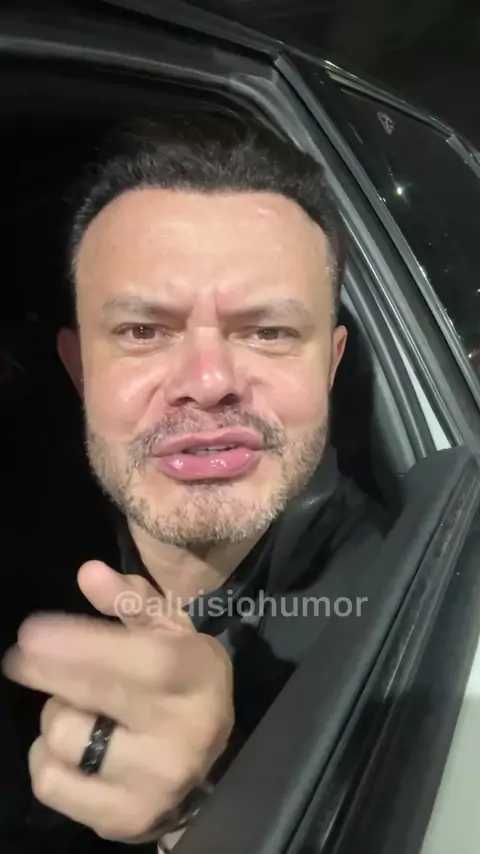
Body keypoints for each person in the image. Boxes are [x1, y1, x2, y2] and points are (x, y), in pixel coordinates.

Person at [0, 111, 392, 853]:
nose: (208, 384)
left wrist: (211, 809)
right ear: (80, 369)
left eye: (269, 331)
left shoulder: (387, 615)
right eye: (142, 331)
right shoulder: (24, 543)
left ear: (331, 364)